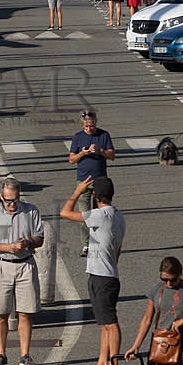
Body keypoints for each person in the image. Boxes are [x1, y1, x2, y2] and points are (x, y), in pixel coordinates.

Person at [60, 176, 126, 365]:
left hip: (101, 277)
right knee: (104, 325)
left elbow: (65, 213)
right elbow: (118, 251)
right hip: (108, 274)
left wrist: (77, 191)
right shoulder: (118, 216)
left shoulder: (100, 215)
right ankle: (101, 363)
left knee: (110, 323)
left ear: (95, 195)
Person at [0, 178, 44, 365]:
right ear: (0, 196)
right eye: (8, 200)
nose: (12, 204)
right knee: (1, 313)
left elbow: (40, 238)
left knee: (26, 312)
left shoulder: (31, 211)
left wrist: (28, 243)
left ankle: (25, 355)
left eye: (15, 199)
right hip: (1, 266)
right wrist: (8, 247)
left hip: (25, 265)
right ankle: (1, 354)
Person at [68, 109, 116, 256]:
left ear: (96, 123)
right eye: (86, 126)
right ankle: (86, 244)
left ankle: (100, 243)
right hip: (83, 181)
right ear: (83, 124)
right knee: (84, 215)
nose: (89, 129)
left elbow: (112, 156)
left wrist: (100, 150)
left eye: (91, 126)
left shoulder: (104, 135)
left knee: (100, 214)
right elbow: (71, 159)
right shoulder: (77, 137)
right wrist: (82, 153)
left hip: (100, 182)